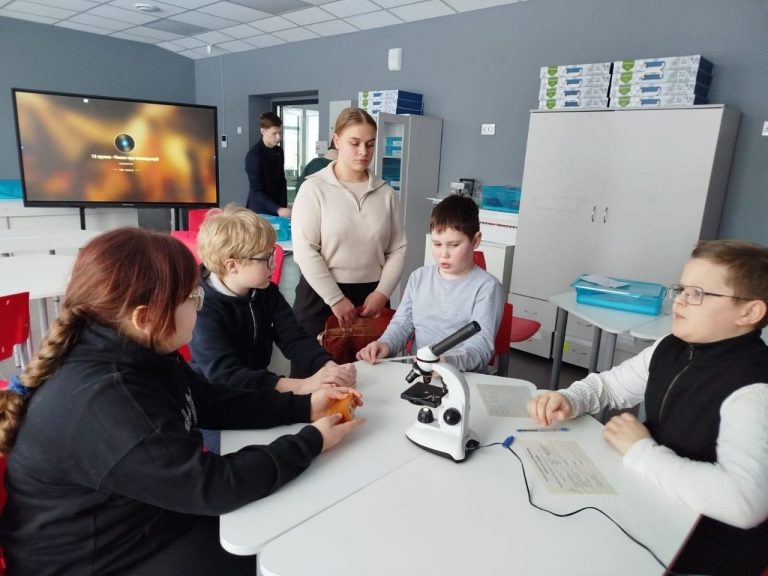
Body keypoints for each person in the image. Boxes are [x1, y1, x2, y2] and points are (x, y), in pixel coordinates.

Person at [0, 227, 363, 576]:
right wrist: (312, 441)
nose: (199, 308)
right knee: (279, 550)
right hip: (100, 561)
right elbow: (213, 486)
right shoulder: (107, 401)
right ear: (145, 317)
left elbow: (211, 401)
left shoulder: (142, 349)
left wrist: (304, 406)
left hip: (141, 520)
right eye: (193, 299)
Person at [527, 240, 768, 576]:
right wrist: (570, 398)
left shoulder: (754, 389)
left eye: (697, 293)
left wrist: (640, 450)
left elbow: (743, 503)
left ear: (749, 312)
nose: (679, 300)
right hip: (652, 500)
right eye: (681, 289)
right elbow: (610, 386)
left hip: (703, 548)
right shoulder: (671, 346)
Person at [190, 204, 357, 394]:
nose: (275, 264)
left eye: (273, 255)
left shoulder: (265, 291)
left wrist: (329, 367)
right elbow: (225, 375)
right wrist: (303, 385)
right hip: (215, 397)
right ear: (232, 265)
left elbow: (293, 337)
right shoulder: (201, 306)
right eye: (266, 258)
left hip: (256, 389)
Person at [291, 107, 407, 339]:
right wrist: (335, 298)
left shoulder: (385, 193)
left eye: (370, 144)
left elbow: (398, 248)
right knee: (318, 362)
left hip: (371, 299)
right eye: (355, 143)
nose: (363, 152)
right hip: (321, 297)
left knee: (370, 362)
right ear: (337, 140)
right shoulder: (313, 188)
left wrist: (383, 293)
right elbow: (305, 251)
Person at [357, 194, 505, 372]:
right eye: (437, 244)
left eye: (454, 245)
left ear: (475, 240)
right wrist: (385, 344)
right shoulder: (418, 278)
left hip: (461, 378)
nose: (444, 254)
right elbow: (402, 324)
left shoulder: (487, 287)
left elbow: (480, 346)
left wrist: (445, 362)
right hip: (420, 374)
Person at [245, 111, 290, 217]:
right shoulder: (254, 155)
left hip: (277, 207)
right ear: (263, 131)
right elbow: (256, 190)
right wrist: (278, 209)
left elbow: (281, 181)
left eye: (280, 133)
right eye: (274, 133)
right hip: (259, 209)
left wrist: (283, 205)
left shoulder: (279, 151)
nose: (278, 137)